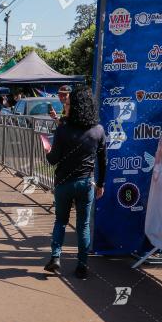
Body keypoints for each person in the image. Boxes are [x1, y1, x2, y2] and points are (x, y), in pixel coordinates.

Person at [43, 85, 106, 279]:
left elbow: (53, 159)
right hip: (86, 183)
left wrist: (47, 151)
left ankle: (55, 258)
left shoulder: (63, 129)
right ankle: (82, 265)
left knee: (60, 221)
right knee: (83, 225)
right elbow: (103, 161)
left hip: (64, 183)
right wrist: (101, 184)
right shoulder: (98, 130)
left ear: (74, 106)